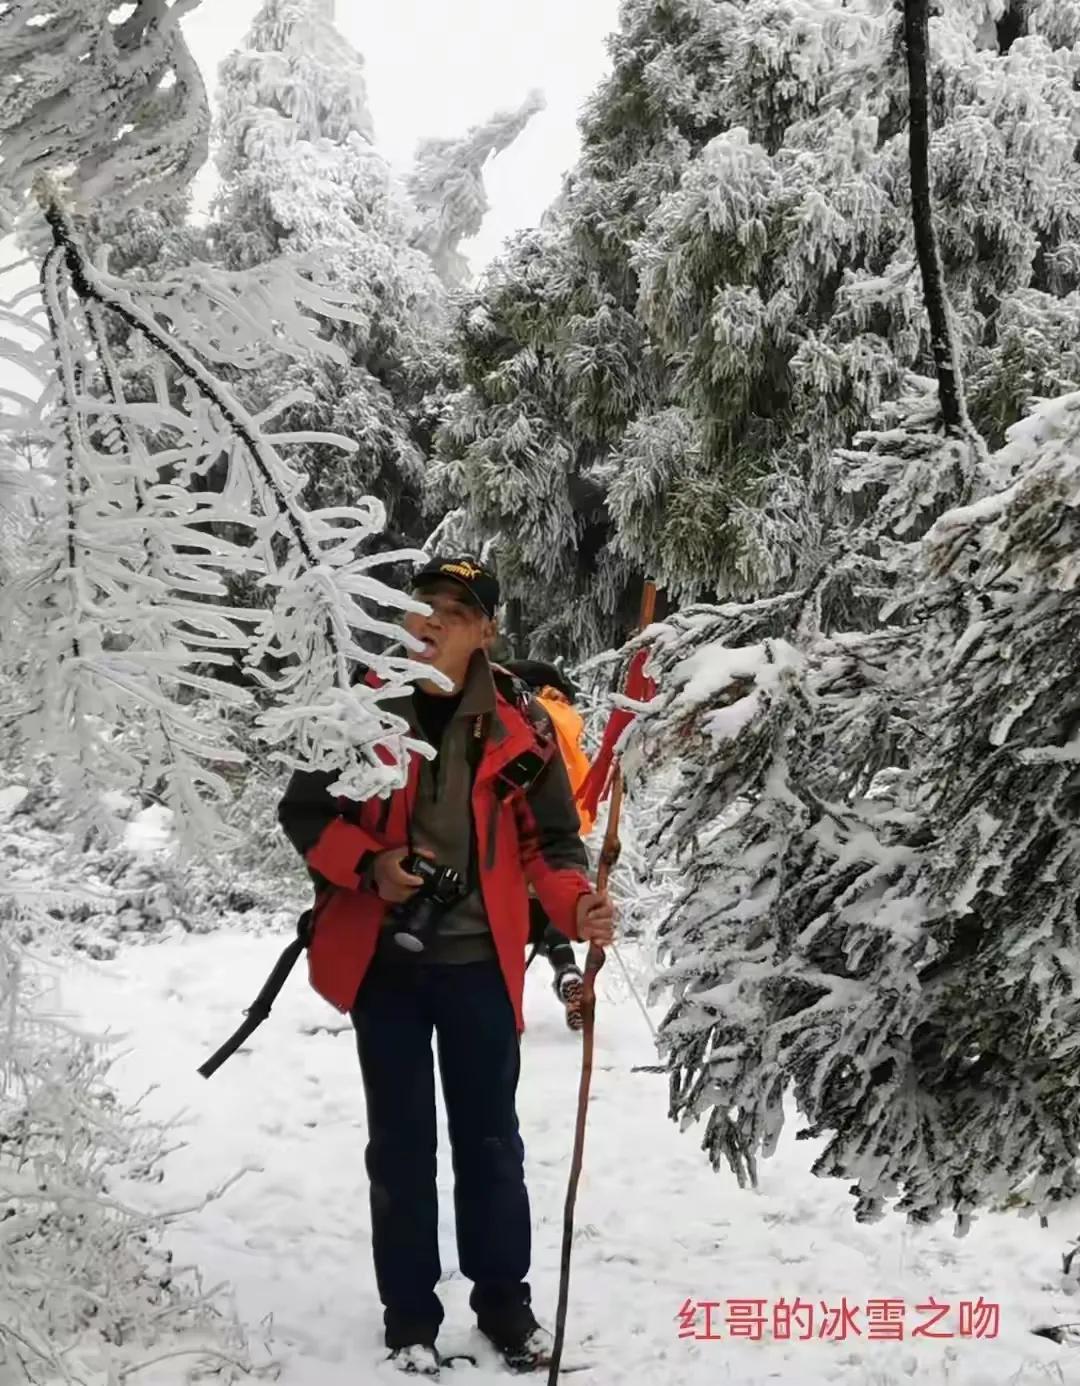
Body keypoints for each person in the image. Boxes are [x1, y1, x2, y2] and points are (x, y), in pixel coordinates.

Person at [276, 555, 616, 1379]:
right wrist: (370, 867)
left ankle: (504, 1306)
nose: (429, 620)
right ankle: (410, 1321)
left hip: (479, 966)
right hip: (385, 965)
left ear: (487, 632)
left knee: (491, 1142)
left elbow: (551, 844)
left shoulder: (519, 726)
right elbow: (306, 812)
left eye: (453, 611)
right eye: (420, 604)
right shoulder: (360, 711)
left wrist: (574, 906)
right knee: (399, 1146)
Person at [503, 659, 596, 1032]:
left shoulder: (527, 716)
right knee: (554, 913)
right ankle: (567, 971)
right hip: (565, 831)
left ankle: (503, 1003)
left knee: (504, 921)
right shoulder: (569, 719)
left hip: (520, 832)